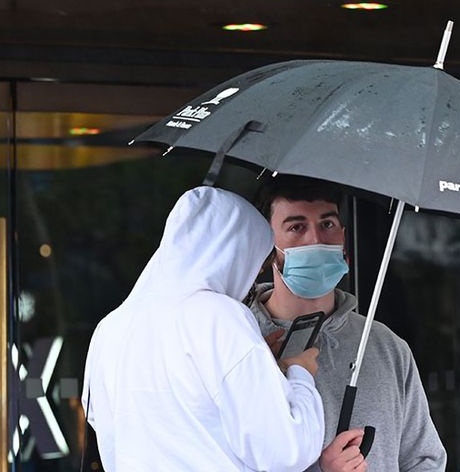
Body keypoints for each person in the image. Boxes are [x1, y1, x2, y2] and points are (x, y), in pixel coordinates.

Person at [83, 186, 326, 471]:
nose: (252, 278)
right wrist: (300, 376)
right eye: (256, 263)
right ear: (236, 252)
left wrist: (259, 364)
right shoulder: (220, 316)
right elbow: (286, 452)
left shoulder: (109, 328)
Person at [248, 176, 447, 472]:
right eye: (296, 227)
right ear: (266, 245)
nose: (315, 239)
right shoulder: (238, 342)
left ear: (344, 237)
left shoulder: (387, 346)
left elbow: (425, 460)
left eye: (326, 224)